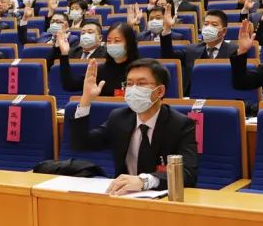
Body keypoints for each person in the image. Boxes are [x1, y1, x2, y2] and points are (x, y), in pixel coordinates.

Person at [71, 58, 198, 194]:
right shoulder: (119, 118)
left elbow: (187, 174)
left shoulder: (181, 125)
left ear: (160, 91)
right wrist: (85, 100)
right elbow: (81, 144)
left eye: (141, 83)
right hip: (123, 195)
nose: (133, 89)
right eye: (130, 84)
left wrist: (145, 181)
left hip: (163, 198)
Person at [159, 9, 237, 95]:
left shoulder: (234, 51)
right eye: (206, 24)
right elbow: (168, 57)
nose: (208, 28)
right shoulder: (192, 49)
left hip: (223, 97)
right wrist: (167, 29)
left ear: (224, 31)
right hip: (193, 97)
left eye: (214, 25)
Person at [58, 22, 138, 97]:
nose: (112, 45)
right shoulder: (100, 70)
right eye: (109, 41)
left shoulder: (140, 70)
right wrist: (64, 54)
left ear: (129, 43)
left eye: (117, 41)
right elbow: (69, 85)